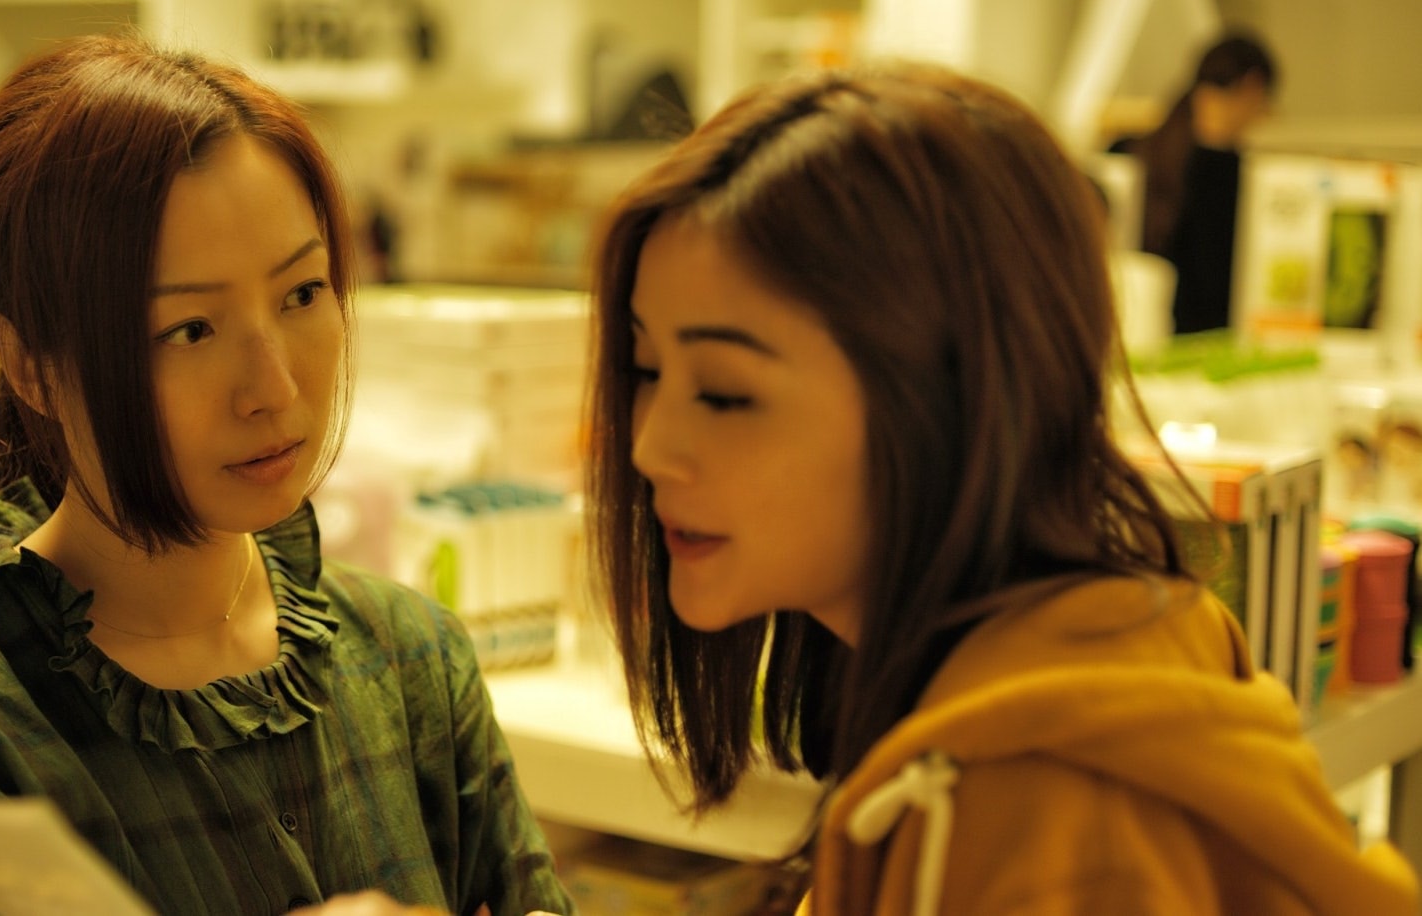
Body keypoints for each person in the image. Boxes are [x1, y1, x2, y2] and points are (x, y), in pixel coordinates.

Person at [581, 63, 1417, 914]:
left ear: (945, 401)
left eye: (724, 393)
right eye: (646, 369)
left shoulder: (1038, 809)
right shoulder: (1091, 659)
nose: (650, 449)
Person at [0, 34, 572, 916]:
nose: (273, 388)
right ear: (30, 365)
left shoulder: (411, 659)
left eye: (302, 294)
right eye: (190, 331)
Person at [1109, 31, 1278, 334]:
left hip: (1128, 328)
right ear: (1252, 86)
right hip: (1199, 343)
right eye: (1265, 105)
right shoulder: (1232, 175)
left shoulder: (1127, 151)